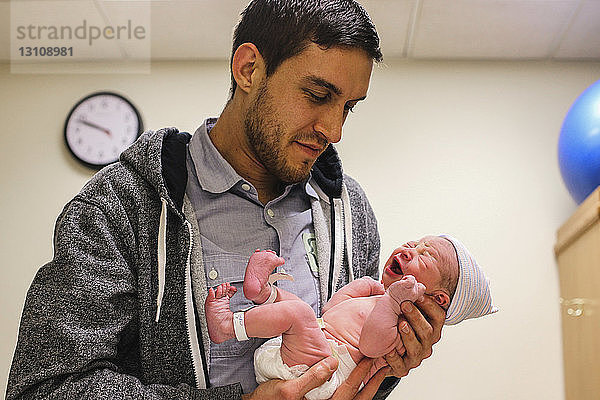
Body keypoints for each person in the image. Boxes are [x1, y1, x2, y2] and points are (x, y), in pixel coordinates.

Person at [6, 1, 447, 399]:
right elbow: (48, 385)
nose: (334, 131)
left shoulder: (351, 213)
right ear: (249, 69)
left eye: (348, 107)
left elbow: (347, 366)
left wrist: (389, 362)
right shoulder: (122, 204)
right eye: (317, 96)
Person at [204, 235, 497, 399]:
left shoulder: (403, 325)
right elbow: (331, 312)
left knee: (299, 313)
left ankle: (229, 325)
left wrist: (392, 301)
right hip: (312, 350)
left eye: (425, 255)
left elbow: (369, 347)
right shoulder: (380, 298)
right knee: (299, 311)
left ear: (438, 300)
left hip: (323, 374)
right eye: (412, 244)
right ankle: (264, 292)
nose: (408, 250)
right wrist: (361, 290)